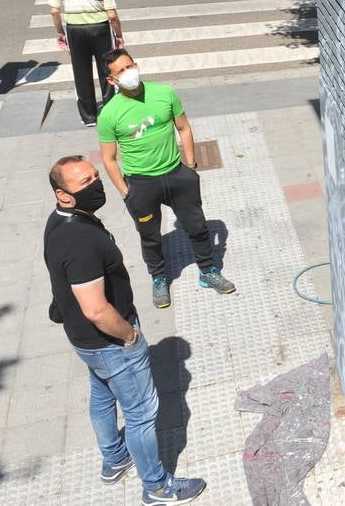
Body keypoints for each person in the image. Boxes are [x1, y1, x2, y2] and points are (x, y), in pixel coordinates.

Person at [44, 155, 207, 504]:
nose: (96, 184)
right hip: (110, 341)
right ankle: (157, 486)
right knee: (142, 413)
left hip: (85, 342)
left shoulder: (57, 223)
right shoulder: (81, 240)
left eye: (94, 176)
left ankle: (115, 459)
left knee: (103, 395)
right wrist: (129, 337)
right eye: (84, 183)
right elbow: (95, 309)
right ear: (63, 195)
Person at [97, 49, 235, 308]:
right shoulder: (109, 114)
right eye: (121, 71)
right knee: (150, 236)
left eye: (130, 66)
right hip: (140, 183)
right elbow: (108, 158)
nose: (129, 73)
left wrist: (191, 167)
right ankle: (159, 278)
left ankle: (208, 271)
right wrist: (125, 191)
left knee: (197, 227)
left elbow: (183, 127)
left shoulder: (164, 93)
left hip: (177, 175)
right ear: (111, 80)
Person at [49, 0, 123, 126]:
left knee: (81, 72)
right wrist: (118, 35)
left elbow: (54, 11)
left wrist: (60, 33)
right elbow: (112, 15)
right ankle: (111, 111)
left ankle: (89, 116)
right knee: (106, 69)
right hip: (100, 29)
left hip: (75, 30)